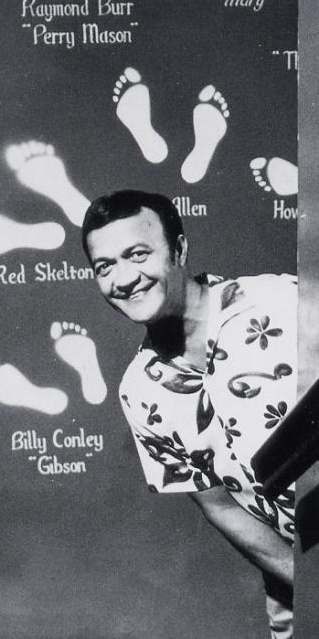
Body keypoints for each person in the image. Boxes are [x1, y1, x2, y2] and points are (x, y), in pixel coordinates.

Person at [82, 190, 296, 639]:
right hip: (296, 590)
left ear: (179, 249)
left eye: (138, 254)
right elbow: (221, 506)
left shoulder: (283, 303)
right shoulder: (140, 392)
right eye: (105, 267)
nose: (125, 279)